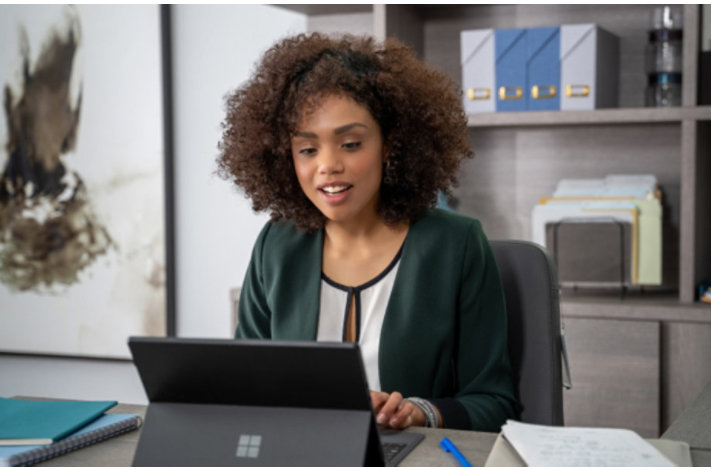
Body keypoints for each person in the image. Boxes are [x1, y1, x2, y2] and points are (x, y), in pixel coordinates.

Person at [217, 32, 520, 433]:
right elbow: (245, 385)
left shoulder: (456, 245)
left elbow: (495, 402)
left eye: (351, 143)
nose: (328, 165)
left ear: (390, 145)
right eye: (308, 149)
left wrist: (419, 412)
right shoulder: (277, 244)